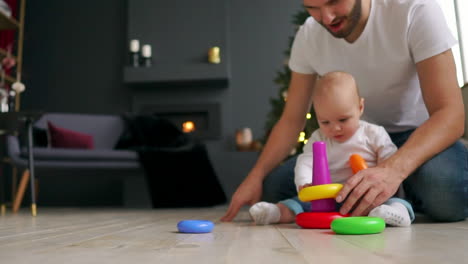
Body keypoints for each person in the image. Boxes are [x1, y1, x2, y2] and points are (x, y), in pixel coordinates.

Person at [221, 0, 467, 223]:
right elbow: (291, 119)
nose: (326, 18)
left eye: (334, 2)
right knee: (275, 187)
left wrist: (390, 171)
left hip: (419, 137)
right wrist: (255, 175)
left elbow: (450, 114)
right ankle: (388, 197)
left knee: (445, 192)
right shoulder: (309, 34)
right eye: (312, 8)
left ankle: (398, 198)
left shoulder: (415, 10)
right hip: (350, 140)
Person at [249, 71, 414, 227]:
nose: (335, 128)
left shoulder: (373, 133)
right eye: (325, 122)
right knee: (296, 203)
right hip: (329, 196)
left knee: (396, 202)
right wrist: (305, 182)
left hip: (370, 195)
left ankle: (396, 214)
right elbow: (305, 162)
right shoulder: (319, 138)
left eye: (343, 119)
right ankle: (275, 213)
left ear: (360, 107)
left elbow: (389, 157)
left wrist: (380, 177)